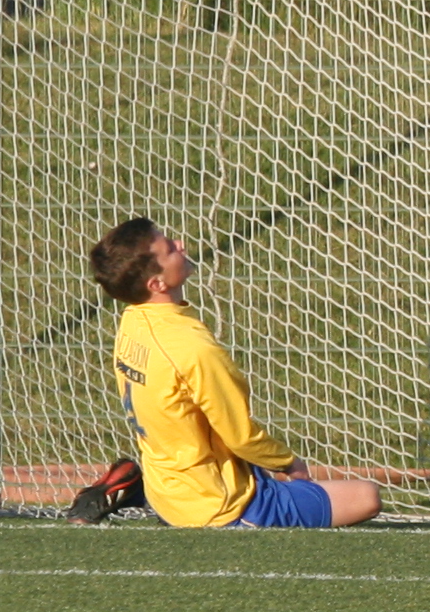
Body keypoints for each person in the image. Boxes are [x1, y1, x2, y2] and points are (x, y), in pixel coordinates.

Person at [72, 219, 382, 530]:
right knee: (367, 497)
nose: (181, 244)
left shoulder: (133, 320)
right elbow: (241, 437)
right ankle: (147, 492)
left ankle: (138, 489)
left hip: (166, 485)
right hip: (216, 507)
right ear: (157, 284)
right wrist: (289, 463)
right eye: (170, 249)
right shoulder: (193, 349)